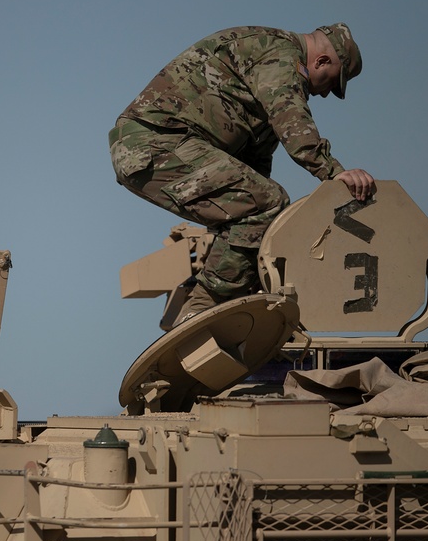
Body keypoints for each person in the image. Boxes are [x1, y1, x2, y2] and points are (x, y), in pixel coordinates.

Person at [108, 24, 375, 326]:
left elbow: (255, 168)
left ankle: (220, 303)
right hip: (155, 142)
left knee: (265, 210)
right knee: (268, 203)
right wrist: (334, 174)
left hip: (161, 146)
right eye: (333, 83)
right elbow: (291, 117)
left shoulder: (266, 82)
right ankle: (201, 310)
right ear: (322, 61)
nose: (326, 93)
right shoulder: (279, 53)